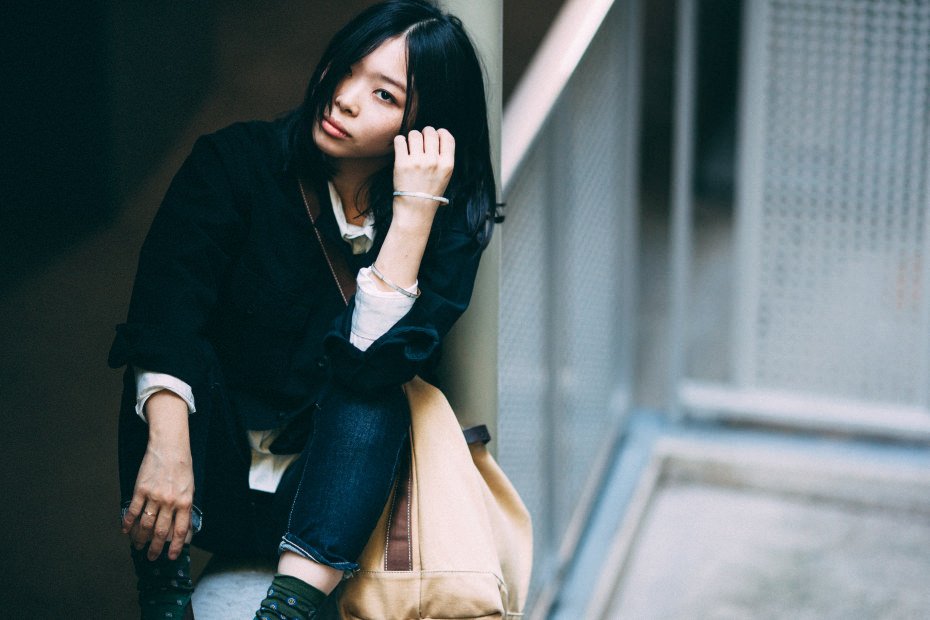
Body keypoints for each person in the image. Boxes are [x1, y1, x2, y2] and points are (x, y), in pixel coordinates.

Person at [108, 1, 497, 617]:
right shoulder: (235, 164)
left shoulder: (442, 224)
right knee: (163, 372)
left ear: (427, 127)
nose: (344, 99)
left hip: (329, 501)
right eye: (345, 68)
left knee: (376, 388)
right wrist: (168, 450)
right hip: (207, 479)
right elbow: (165, 312)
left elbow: (374, 364)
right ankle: (164, 595)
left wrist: (412, 214)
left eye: (384, 95)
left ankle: (289, 608)